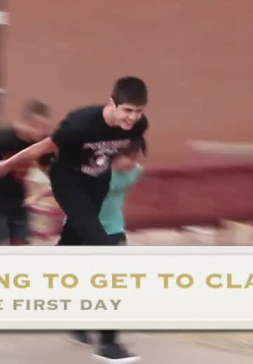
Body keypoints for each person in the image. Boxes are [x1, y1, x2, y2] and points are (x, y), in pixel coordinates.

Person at [0, 76, 149, 363]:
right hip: (68, 182)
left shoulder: (138, 126)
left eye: (138, 111)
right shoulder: (80, 124)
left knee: (75, 242)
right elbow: (42, 148)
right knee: (105, 250)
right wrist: (7, 164)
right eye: (127, 111)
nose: (132, 118)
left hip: (97, 181)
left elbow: (128, 150)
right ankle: (108, 344)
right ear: (112, 104)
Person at [68, 137, 146, 350]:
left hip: (113, 231)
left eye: (135, 157)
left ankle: (108, 338)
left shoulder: (135, 173)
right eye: (126, 157)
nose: (131, 162)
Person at [0, 100, 52, 245]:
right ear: (25, 122)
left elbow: (50, 169)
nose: (39, 132)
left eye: (43, 128)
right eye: (35, 126)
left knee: (20, 246)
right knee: (0, 249)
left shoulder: (39, 144)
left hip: (17, 203)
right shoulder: (2, 138)